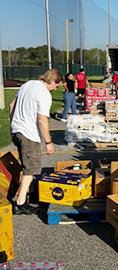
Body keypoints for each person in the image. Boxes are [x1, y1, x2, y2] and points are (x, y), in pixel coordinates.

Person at [10, 69, 63, 214]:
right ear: (52, 81)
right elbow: (42, 119)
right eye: (56, 86)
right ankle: (21, 204)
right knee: (32, 167)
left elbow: (11, 106)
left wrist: (13, 124)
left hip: (16, 130)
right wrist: (48, 142)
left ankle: (32, 193)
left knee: (27, 164)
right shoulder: (44, 93)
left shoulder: (27, 85)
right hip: (29, 134)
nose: (55, 89)